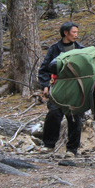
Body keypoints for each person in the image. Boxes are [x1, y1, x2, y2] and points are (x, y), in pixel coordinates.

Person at [37, 21, 84, 156]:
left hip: (75, 89)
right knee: (54, 114)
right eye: (74, 32)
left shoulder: (81, 49)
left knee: (75, 118)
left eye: (77, 32)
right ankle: (48, 145)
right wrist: (45, 85)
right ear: (65, 33)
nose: (76, 35)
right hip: (57, 87)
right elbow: (44, 69)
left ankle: (72, 149)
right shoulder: (54, 49)